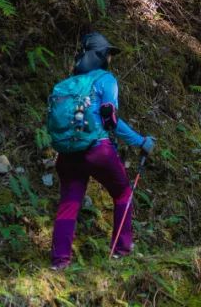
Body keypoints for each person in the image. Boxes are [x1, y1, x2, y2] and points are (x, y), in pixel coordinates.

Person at [50, 32, 155, 270]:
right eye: (108, 54)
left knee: (69, 203)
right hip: (97, 149)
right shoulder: (106, 80)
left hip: (68, 153)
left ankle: (59, 262)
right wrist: (141, 141)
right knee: (123, 193)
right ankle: (121, 252)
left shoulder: (69, 83)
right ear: (101, 55)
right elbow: (110, 119)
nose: (110, 58)